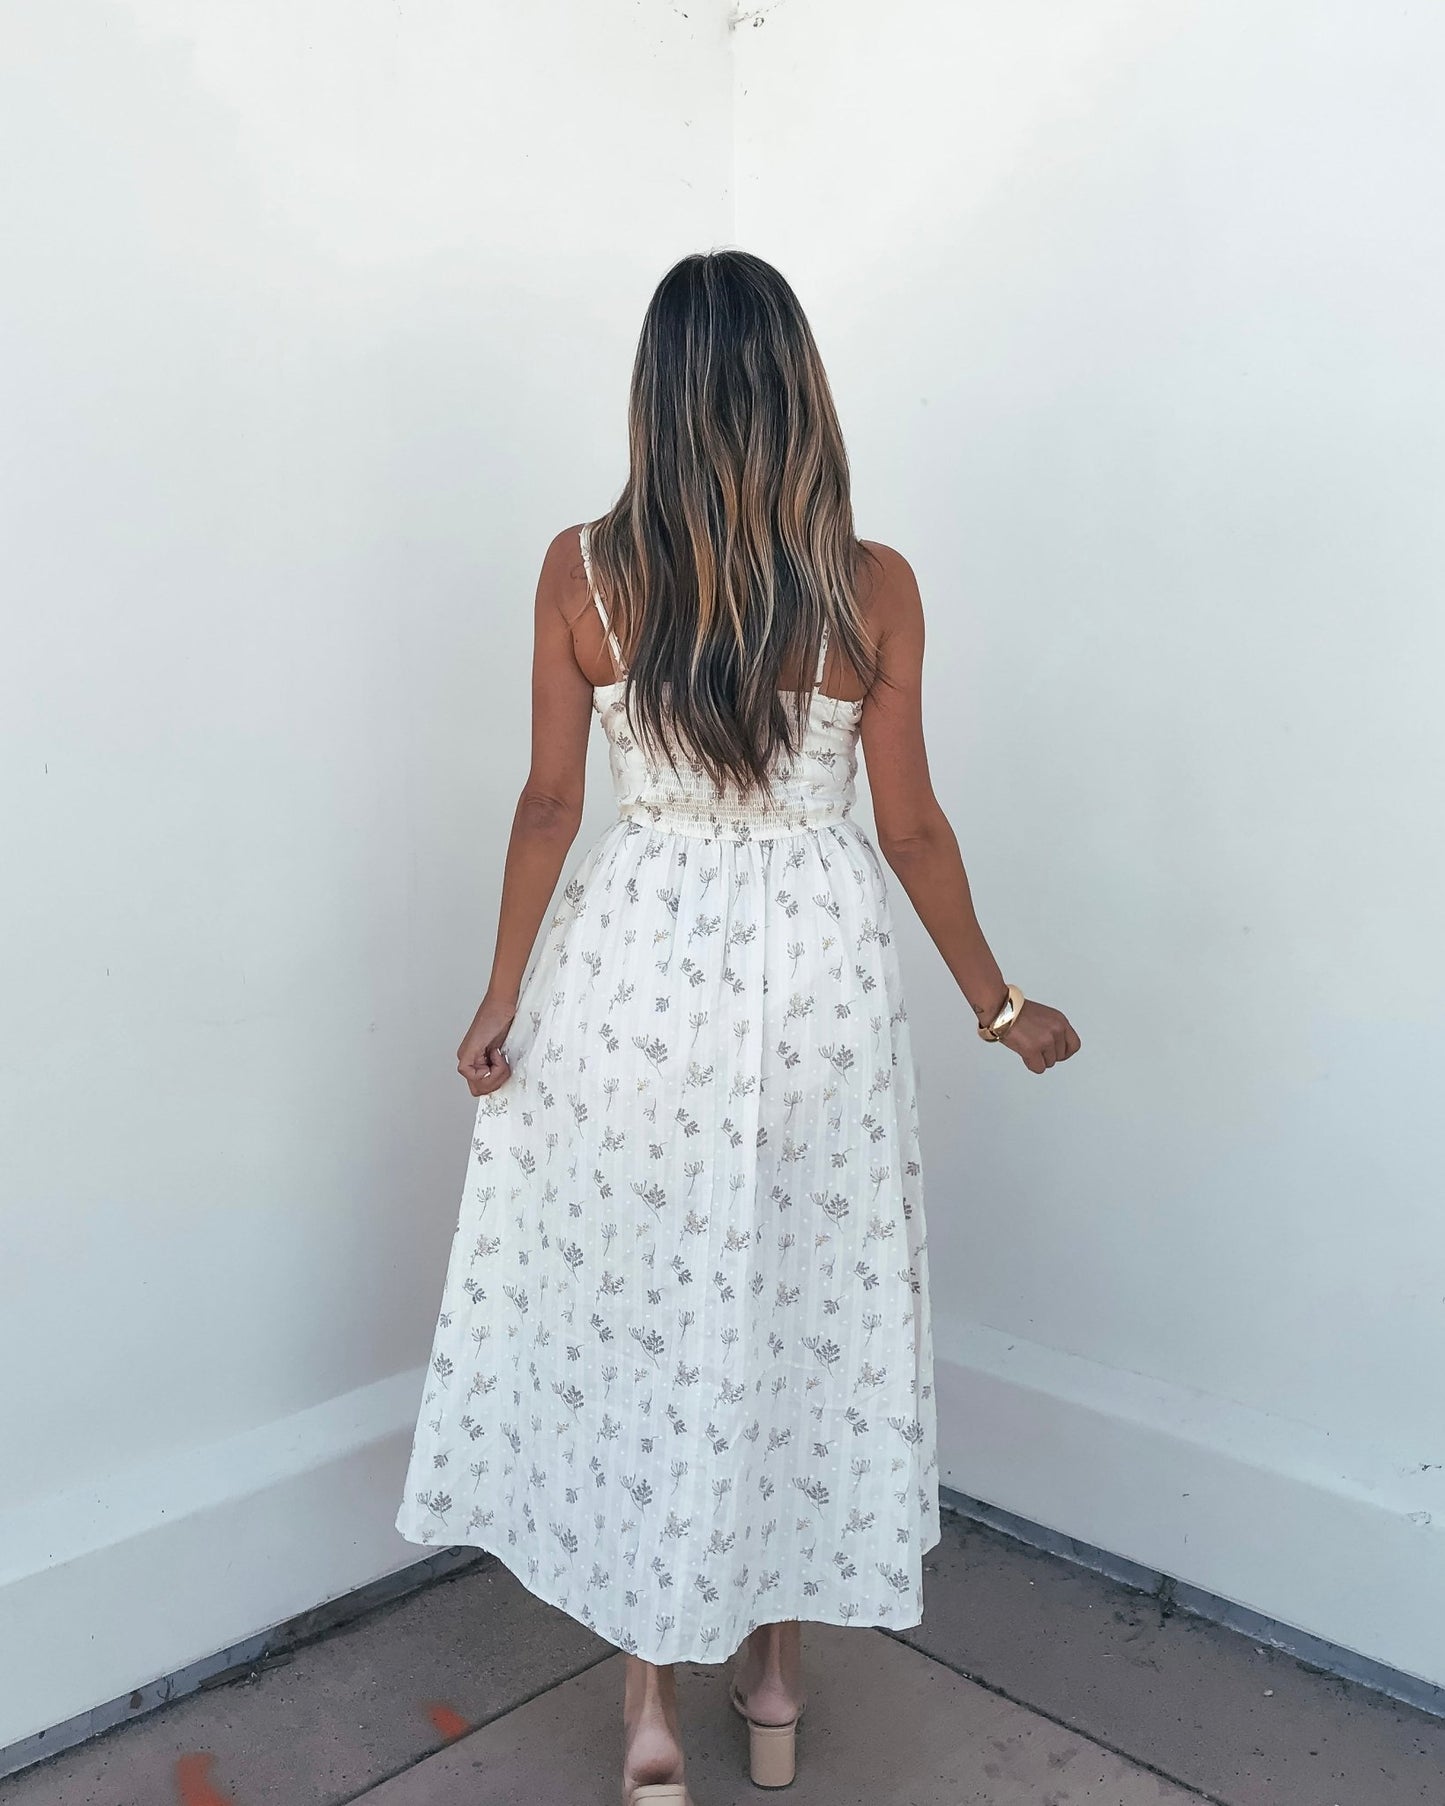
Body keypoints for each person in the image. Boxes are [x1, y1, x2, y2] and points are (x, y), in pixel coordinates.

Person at [394, 249, 1081, 1805]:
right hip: (815, 978)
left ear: (657, 392)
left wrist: (502, 996)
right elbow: (907, 832)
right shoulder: (874, 583)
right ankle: (772, 1686)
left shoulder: (582, 571)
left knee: (649, 1315)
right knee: (796, 1306)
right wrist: (999, 1002)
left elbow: (551, 804)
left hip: (634, 978)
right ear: (799, 389)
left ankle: (648, 1715)